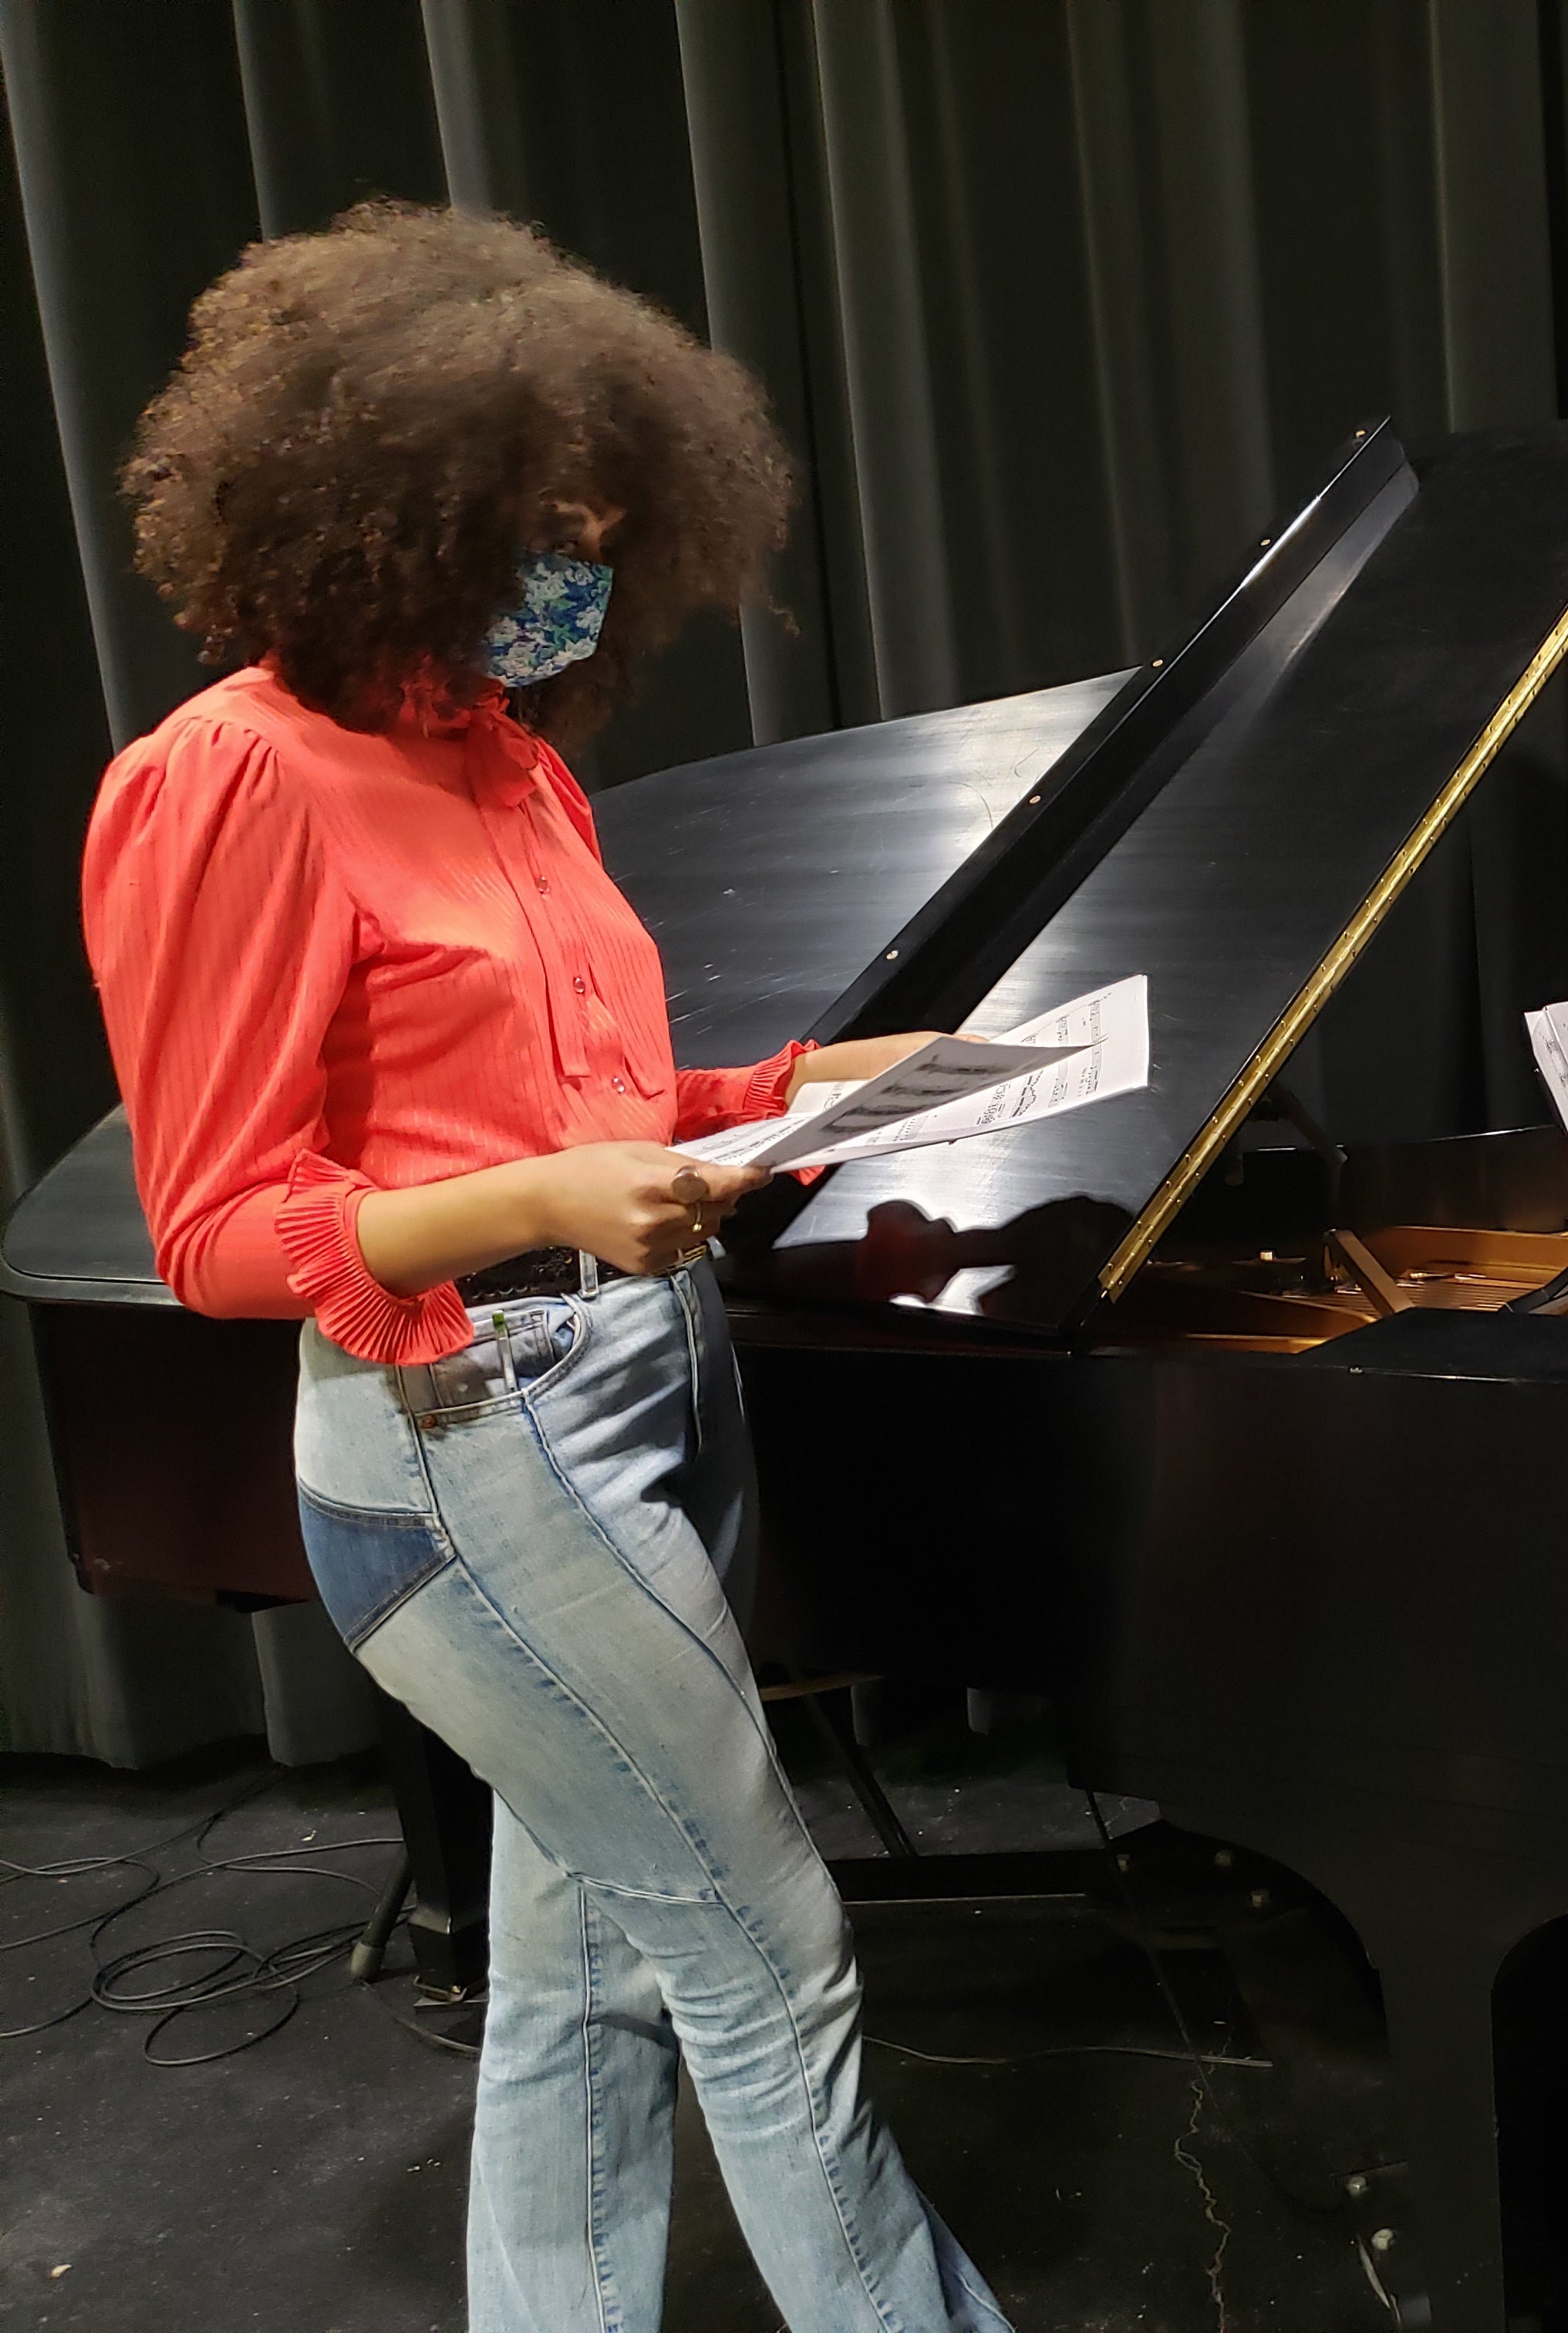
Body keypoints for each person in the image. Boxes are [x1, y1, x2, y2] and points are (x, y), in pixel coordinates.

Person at [83, 204, 1007, 2332]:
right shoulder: (223, 782)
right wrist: (541, 1212)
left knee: (589, 1963)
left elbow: (568, 1100)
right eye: (533, 535)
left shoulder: (509, 769)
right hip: (460, 1443)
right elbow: (222, 1232)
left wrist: (804, 1090)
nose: (571, 581)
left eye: (598, 532)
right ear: (382, 517)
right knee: (772, 1958)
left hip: (646, 1380)